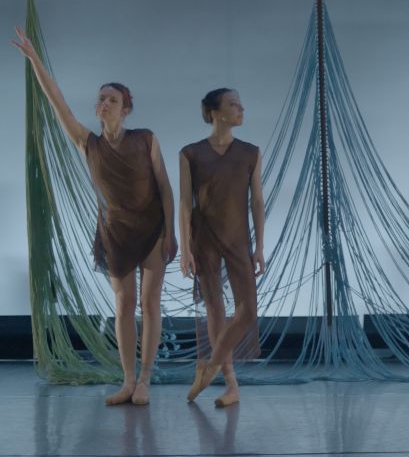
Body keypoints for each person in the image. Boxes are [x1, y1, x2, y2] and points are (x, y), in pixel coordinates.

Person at [12, 27, 176, 406]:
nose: (104, 103)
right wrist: (35, 59)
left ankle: (147, 380)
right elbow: (58, 105)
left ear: (126, 108)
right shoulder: (89, 143)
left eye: (112, 99)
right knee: (124, 305)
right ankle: (128, 379)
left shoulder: (146, 138)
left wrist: (171, 231)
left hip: (152, 228)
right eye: (101, 98)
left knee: (150, 303)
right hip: (115, 232)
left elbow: (166, 187)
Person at [181, 88, 266, 407]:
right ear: (215, 112)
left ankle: (210, 365)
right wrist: (187, 248)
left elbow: (256, 200)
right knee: (214, 308)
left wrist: (259, 245)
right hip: (204, 237)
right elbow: (184, 205)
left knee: (247, 310)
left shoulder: (250, 152)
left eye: (241, 104)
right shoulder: (190, 153)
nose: (241, 109)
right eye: (234, 104)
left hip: (238, 238)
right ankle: (230, 384)